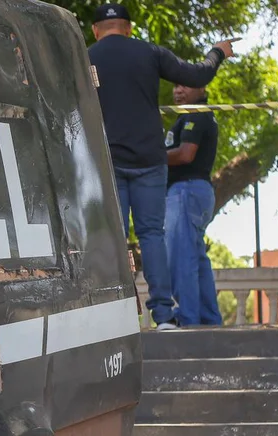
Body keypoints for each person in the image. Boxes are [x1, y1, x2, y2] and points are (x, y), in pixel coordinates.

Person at [87, 3, 235, 331]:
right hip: (150, 163)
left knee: (111, 237)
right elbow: (199, 74)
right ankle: (164, 316)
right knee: (152, 235)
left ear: (96, 30)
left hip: (109, 161)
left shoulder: (85, 58)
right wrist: (218, 52)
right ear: (128, 28)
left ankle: (111, 317)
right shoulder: (149, 52)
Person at [165, 84, 223, 326]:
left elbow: (186, 154)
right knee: (196, 259)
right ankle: (209, 319)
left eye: (185, 85)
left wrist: (148, 156)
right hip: (193, 192)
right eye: (175, 86)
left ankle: (188, 319)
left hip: (187, 191)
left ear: (201, 87)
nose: (178, 90)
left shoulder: (196, 114)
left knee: (181, 258)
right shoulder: (189, 116)